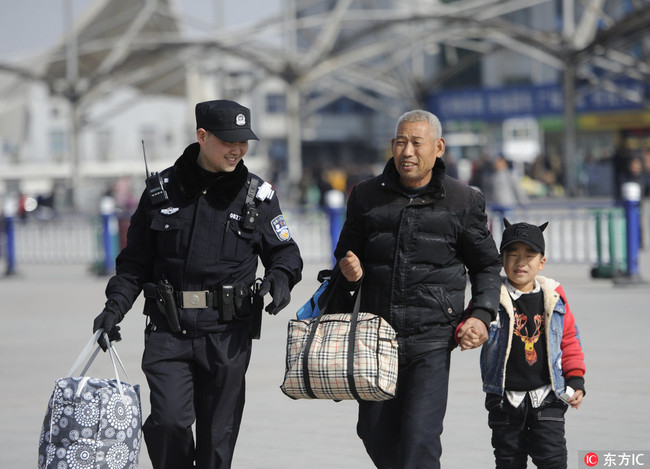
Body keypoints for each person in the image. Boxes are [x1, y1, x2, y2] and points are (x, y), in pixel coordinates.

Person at [92, 99, 303, 469]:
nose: (237, 150)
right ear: (202, 136)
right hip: (167, 333)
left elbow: (285, 252)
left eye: (243, 142)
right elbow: (134, 264)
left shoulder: (258, 196)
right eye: (228, 141)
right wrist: (114, 308)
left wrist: (280, 279)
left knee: (217, 442)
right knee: (169, 422)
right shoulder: (160, 193)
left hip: (227, 335)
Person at [334, 109, 502, 468]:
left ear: (438, 147)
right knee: (374, 433)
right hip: (375, 337)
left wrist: (482, 315)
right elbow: (346, 254)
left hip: (431, 339)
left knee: (420, 439)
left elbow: (487, 264)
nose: (406, 151)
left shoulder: (463, 200)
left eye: (416, 143)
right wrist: (349, 269)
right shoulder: (365, 196)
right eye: (400, 142)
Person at [459, 219, 585, 469]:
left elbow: (569, 339)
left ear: (542, 262)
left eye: (529, 255)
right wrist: (467, 332)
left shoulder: (555, 297)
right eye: (512, 254)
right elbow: (471, 320)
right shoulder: (492, 295)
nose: (520, 262)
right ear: (501, 260)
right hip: (505, 399)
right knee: (508, 461)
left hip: (547, 396)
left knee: (553, 459)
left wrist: (576, 379)